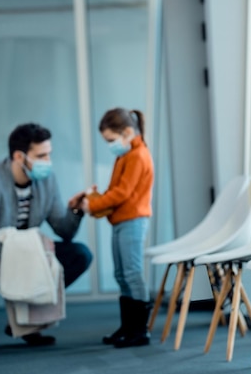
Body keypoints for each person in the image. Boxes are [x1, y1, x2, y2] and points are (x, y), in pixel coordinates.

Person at [0, 123, 93, 353]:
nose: (48, 161)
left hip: (20, 251)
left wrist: (76, 211)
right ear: (19, 156)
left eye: (49, 154)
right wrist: (22, 257)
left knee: (79, 255)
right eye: (41, 155)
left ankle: (27, 322)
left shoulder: (47, 180)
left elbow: (64, 231)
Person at [82, 108, 154, 348]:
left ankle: (139, 330)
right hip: (120, 221)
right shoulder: (125, 154)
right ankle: (128, 327)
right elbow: (116, 191)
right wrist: (96, 199)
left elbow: (122, 193)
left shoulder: (137, 155)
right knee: (121, 274)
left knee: (132, 273)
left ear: (127, 132)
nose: (110, 145)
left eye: (111, 140)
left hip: (133, 220)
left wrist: (92, 205)